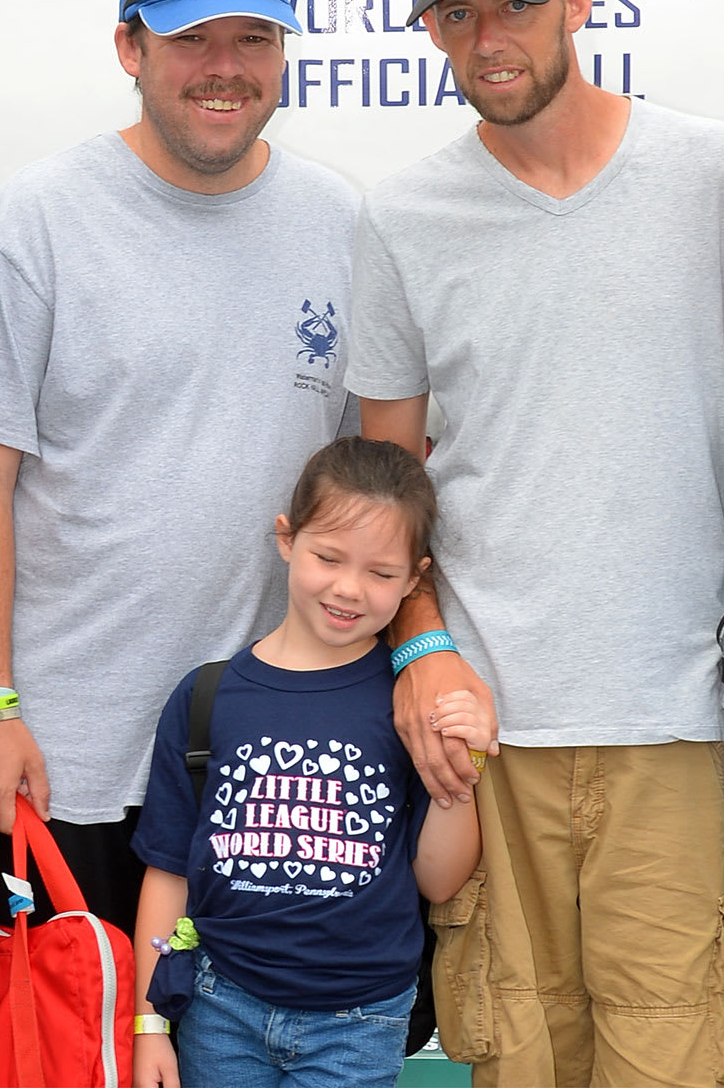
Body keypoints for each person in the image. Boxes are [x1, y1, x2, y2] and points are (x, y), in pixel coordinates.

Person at [347, 0, 724, 1086]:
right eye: (454, 15)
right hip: (483, 722)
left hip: (671, 706)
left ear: (577, 0)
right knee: (513, 1054)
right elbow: (383, 481)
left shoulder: (714, 178)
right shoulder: (400, 216)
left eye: (511, 6)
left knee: (668, 1056)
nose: (485, 38)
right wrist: (419, 648)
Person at [0, 0, 359, 933]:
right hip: (61, 758)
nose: (224, 69)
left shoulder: (339, 221)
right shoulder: (36, 217)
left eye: (252, 40)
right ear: (129, 48)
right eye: (190, 40)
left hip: (263, 760)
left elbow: (366, 489)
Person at [130, 436, 484, 1088]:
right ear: (287, 539)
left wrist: (463, 769)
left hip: (360, 1019)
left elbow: (437, 881)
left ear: (414, 578)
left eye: (381, 573)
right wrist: (149, 1024)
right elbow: (169, 872)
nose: (349, 588)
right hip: (219, 1003)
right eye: (328, 557)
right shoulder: (207, 696)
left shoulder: (406, 706)